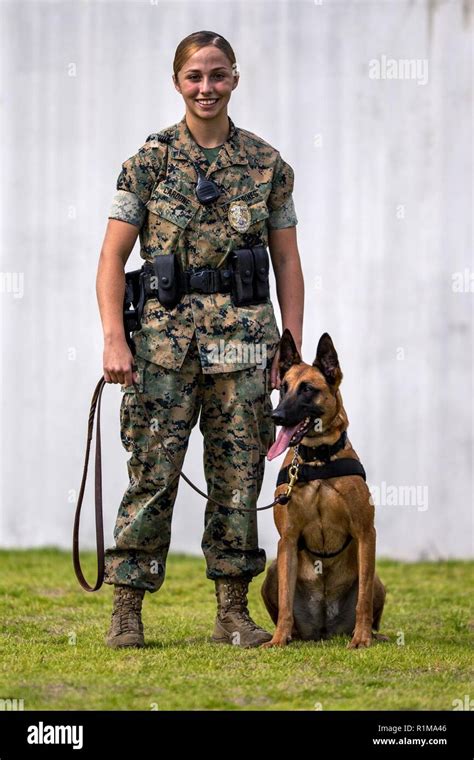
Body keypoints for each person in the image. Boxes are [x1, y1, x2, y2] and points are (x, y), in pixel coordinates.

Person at [96, 30, 304, 649]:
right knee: (152, 476)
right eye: (195, 77)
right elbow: (111, 259)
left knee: (239, 479)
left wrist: (288, 350)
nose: (206, 88)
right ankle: (127, 611)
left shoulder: (267, 165)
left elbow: (287, 264)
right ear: (177, 82)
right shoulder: (149, 160)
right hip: (161, 346)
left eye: (218, 75)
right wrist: (114, 339)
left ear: (235, 78)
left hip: (244, 346)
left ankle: (232, 613)